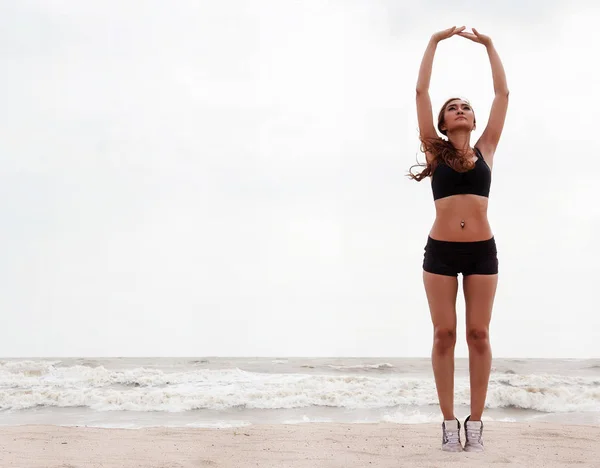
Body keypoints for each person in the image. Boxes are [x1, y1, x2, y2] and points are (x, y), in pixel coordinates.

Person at [408, 26, 509, 452]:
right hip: (442, 252)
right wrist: (433, 42)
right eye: (454, 107)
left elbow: (502, 96)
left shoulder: (486, 148)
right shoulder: (435, 150)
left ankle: (477, 424)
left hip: (482, 251)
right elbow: (420, 92)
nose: (462, 110)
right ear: (443, 122)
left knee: (479, 335)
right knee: (443, 334)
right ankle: (449, 423)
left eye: (466, 106)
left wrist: (488, 45)